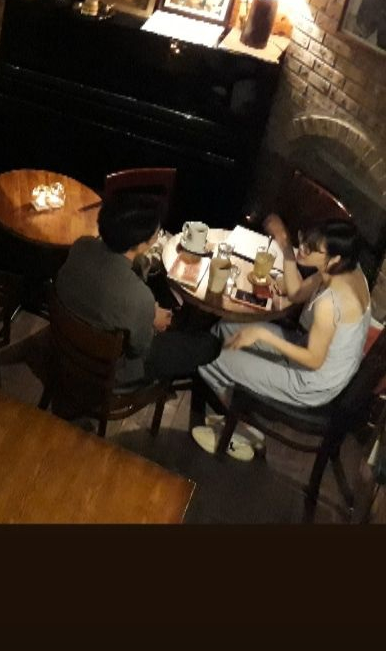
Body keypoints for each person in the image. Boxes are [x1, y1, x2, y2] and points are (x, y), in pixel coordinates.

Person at [192, 215, 372, 461]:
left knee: (211, 358)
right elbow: (296, 293)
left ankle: (242, 431)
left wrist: (263, 335)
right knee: (226, 328)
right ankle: (235, 407)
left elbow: (314, 360)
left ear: (334, 258)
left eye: (311, 248)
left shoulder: (331, 303)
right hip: (311, 352)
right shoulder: (345, 269)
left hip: (312, 381)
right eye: (304, 240)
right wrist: (285, 244)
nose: (303, 248)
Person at [55, 191, 221, 420]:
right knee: (210, 345)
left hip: (68, 342)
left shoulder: (81, 245)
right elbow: (140, 349)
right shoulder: (139, 298)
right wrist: (152, 319)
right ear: (143, 242)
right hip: (113, 371)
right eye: (157, 233)